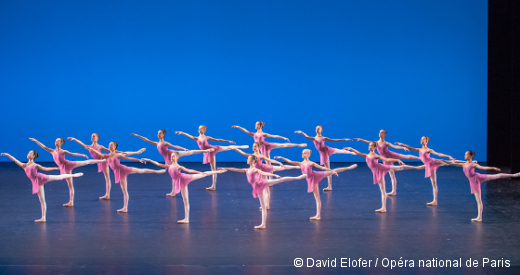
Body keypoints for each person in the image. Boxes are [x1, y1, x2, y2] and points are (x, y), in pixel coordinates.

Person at [223, 155, 307, 229]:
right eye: (247, 158)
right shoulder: (247, 170)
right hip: (257, 185)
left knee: (279, 182)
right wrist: (225, 168)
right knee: (263, 205)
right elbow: (235, 169)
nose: (247, 160)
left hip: (260, 184)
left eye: (249, 159)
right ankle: (263, 224)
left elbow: (263, 172)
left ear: (253, 161)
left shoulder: (255, 169)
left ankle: (298, 177)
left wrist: (274, 175)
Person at [143, 152, 227, 223]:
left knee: (204, 174)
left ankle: (218, 171)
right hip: (180, 182)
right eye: (171, 157)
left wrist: (199, 172)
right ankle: (186, 219)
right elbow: (158, 164)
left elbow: (188, 170)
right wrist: (149, 160)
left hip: (184, 178)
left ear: (177, 158)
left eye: (174, 157)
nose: (172, 158)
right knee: (185, 200)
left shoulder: (178, 166)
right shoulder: (168, 166)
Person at [274, 149, 357, 220]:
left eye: (304, 153)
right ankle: (318, 215)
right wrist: (281, 157)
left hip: (315, 176)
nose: (302, 154)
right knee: (316, 196)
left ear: (307, 154)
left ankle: (318, 215)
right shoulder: (300, 163)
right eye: (302, 153)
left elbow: (322, 167)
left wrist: (331, 171)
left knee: (317, 197)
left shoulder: (311, 163)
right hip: (310, 179)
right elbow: (290, 161)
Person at [1, 151, 84, 222]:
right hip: (36, 182)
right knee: (42, 199)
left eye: (30, 153)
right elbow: (15, 161)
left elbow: (45, 169)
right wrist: (8, 155)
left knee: (58, 177)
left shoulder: (35, 165)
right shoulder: (24, 165)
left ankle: (74, 175)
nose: (28, 154)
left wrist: (55, 168)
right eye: (28, 152)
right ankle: (43, 217)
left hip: (41, 177)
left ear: (33, 156)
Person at [441, 151, 520, 222]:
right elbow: (451, 163)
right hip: (474, 180)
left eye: (466, 154)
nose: (465, 156)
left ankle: (514, 175)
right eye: (465, 154)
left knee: (480, 199)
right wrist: (442, 161)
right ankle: (479, 217)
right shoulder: (463, 164)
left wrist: (493, 167)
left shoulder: (473, 164)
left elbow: (483, 167)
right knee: (479, 200)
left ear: (471, 156)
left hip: (477, 179)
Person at [346, 143, 424, 213]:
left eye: (371, 146)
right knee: (383, 190)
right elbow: (358, 153)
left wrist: (397, 159)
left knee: (398, 168)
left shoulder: (376, 156)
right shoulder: (366, 155)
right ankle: (383, 208)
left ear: (374, 147)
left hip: (381, 168)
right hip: (376, 172)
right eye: (369, 145)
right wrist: (351, 148)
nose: (369, 146)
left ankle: (417, 167)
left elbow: (387, 159)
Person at [131, 130, 214, 196]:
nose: (158, 134)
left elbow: (174, 146)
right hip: (168, 158)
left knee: (189, 152)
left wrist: (183, 148)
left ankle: (205, 151)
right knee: (173, 175)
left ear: (163, 135)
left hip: (172, 154)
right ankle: (173, 191)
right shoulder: (156, 143)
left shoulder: (165, 143)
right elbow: (146, 139)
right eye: (158, 133)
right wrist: (137, 135)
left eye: (160, 133)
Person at [88, 142, 165, 213]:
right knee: (124, 190)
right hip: (118, 173)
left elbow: (129, 158)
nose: (109, 146)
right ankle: (125, 208)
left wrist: (138, 159)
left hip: (123, 169)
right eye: (109, 145)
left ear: (115, 147)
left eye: (111, 145)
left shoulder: (118, 155)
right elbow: (100, 154)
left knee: (140, 170)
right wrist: (92, 149)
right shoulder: (107, 156)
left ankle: (156, 171)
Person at [29, 138, 106, 207]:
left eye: (58, 141)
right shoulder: (52, 151)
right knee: (70, 185)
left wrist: (82, 155)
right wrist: (36, 141)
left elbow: (73, 154)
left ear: (61, 143)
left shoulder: (63, 151)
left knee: (85, 162)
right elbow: (43, 146)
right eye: (55, 140)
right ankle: (71, 202)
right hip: (64, 168)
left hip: (68, 164)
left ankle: (102, 160)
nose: (56, 142)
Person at [68, 134, 145, 200]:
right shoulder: (88, 146)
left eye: (94, 136)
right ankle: (107, 194)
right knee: (106, 177)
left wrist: (119, 152)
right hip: (100, 161)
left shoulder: (100, 146)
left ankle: (137, 152)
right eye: (91, 136)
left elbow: (110, 150)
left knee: (107, 177)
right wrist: (74, 139)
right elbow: (81, 144)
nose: (92, 137)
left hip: (104, 159)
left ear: (97, 138)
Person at [176, 125, 248, 191]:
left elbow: (218, 140)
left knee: (228, 147)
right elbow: (189, 136)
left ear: (204, 130)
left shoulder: (207, 137)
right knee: (213, 169)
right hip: (207, 152)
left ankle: (240, 146)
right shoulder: (196, 138)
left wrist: (228, 141)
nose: (199, 129)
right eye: (199, 128)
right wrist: (181, 132)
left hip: (212, 149)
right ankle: (213, 186)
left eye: (201, 128)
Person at [233, 142, 300, 210]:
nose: (254, 147)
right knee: (265, 187)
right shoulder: (251, 156)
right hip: (259, 173)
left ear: (259, 148)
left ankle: (297, 167)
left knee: (282, 167)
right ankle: (266, 204)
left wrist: (279, 162)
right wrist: (234, 148)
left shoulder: (260, 156)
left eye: (255, 146)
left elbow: (269, 160)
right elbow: (242, 153)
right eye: (253, 146)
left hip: (265, 169)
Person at [354, 129, 421, 196]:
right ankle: (394, 191)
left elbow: (395, 146)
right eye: (380, 132)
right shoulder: (376, 143)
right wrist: (360, 139)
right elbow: (368, 142)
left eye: (382, 133)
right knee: (392, 175)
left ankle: (419, 158)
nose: (380, 133)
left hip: (391, 155)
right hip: (386, 159)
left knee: (405, 156)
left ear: (385, 135)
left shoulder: (386, 143)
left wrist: (402, 148)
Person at [395, 136, 456, 205]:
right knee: (434, 183)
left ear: (426, 141)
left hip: (432, 163)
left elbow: (438, 154)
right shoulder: (419, 149)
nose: (421, 140)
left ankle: (465, 163)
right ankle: (435, 201)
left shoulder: (428, 150)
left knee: (448, 163)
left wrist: (448, 156)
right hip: (428, 165)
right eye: (421, 139)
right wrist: (402, 144)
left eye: (423, 139)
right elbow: (410, 147)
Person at [295, 126, 354, 191]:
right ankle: (330, 186)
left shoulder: (323, 138)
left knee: (339, 152)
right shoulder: (313, 138)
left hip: (326, 151)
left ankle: (353, 153)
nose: (317, 129)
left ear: (321, 130)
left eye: (319, 129)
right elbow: (306, 136)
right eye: (316, 128)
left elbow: (335, 140)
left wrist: (345, 139)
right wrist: (301, 132)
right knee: (329, 168)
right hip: (323, 153)